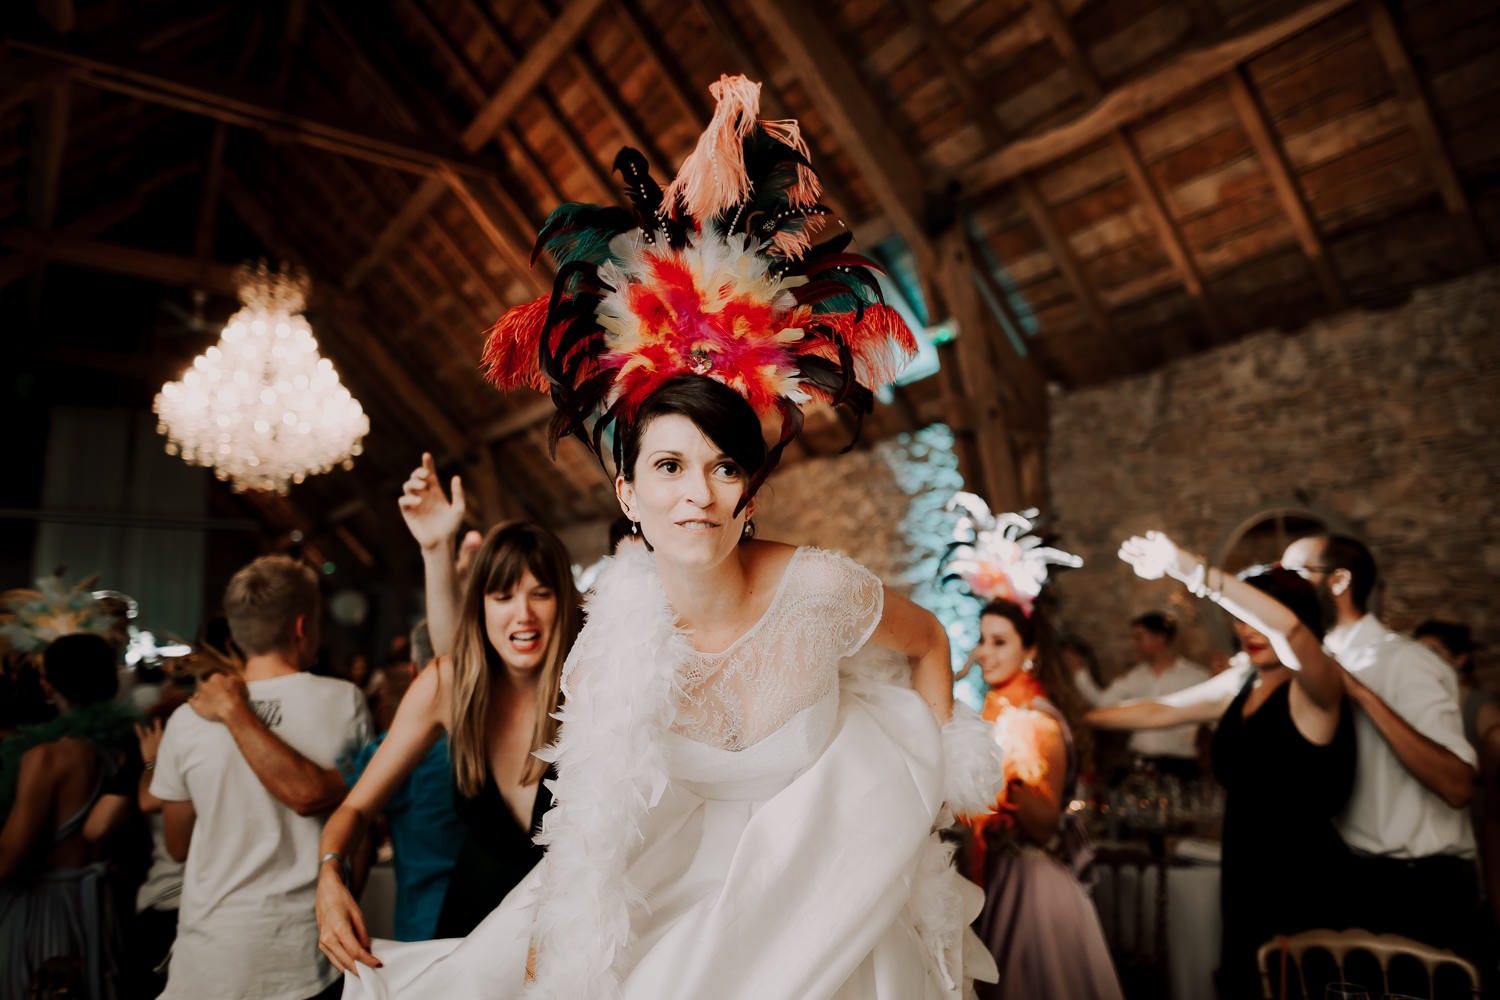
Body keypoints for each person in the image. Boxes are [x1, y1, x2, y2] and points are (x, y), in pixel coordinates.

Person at [334, 74, 999, 998]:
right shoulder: (612, 636)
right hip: (691, 914)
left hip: (833, 922)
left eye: (724, 470)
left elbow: (927, 647)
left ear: (750, 493)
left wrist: (927, 807)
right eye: (671, 467)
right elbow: (582, 802)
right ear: (630, 493)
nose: (699, 496)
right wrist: (560, 935)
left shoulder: (818, 589)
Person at [316, 460, 583, 964]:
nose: (523, 614)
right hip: (470, 938)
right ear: (480, 607)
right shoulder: (448, 686)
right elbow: (354, 809)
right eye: (503, 596)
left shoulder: (595, 688)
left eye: (541, 594)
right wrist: (330, 873)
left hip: (569, 946)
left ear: (563, 603)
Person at [1099, 538, 1356, 998]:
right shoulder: (1243, 685)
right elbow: (1158, 711)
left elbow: (1292, 632)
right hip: (1242, 865)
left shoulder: (1318, 685)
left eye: (1256, 616)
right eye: (1239, 618)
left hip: (1298, 874)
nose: (1247, 630)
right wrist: (1063, 711)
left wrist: (1192, 570)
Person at [150, 555, 371, 1000]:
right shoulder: (344, 700)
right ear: (303, 626)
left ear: (236, 631)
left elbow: (177, 845)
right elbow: (363, 821)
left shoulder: (188, 718)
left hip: (210, 949)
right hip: (305, 948)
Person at [1279, 534, 1478, 959]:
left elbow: (1458, 785)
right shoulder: (1312, 665)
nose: (1284, 587)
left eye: (1294, 574)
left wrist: (1363, 695)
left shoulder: (1404, 661)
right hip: (1352, 876)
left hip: (1420, 886)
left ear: (1338, 581)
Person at [965, 599, 1122, 1000]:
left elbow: (1043, 825)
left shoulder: (1033, 721)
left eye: (999, 641)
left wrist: (1006, 781)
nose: (984, 652)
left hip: (1034, 888)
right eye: (982, 640)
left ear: (1030, 652)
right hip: (1004, 876)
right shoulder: (1001, 712)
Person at [0, 632, 137, 1000]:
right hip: (108, 905)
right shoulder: (131, 745)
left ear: (48, 686)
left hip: (47, 911)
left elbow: (7, 861)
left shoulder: (47, 757)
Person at [340, 620, 466, 942]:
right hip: (500, 922)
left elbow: (335, 797)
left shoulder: (399, 750)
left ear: (414, 674)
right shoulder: (505, 736)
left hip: (426, 924)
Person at [1071, 611, 1211, 783]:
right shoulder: (1135, 676)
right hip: (1140, 763)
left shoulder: (1196, 677)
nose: (1135, 643)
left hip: (1180, 765)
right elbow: (1103, 703)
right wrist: (1079, 672)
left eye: (1139, 637)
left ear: (1159, 638)